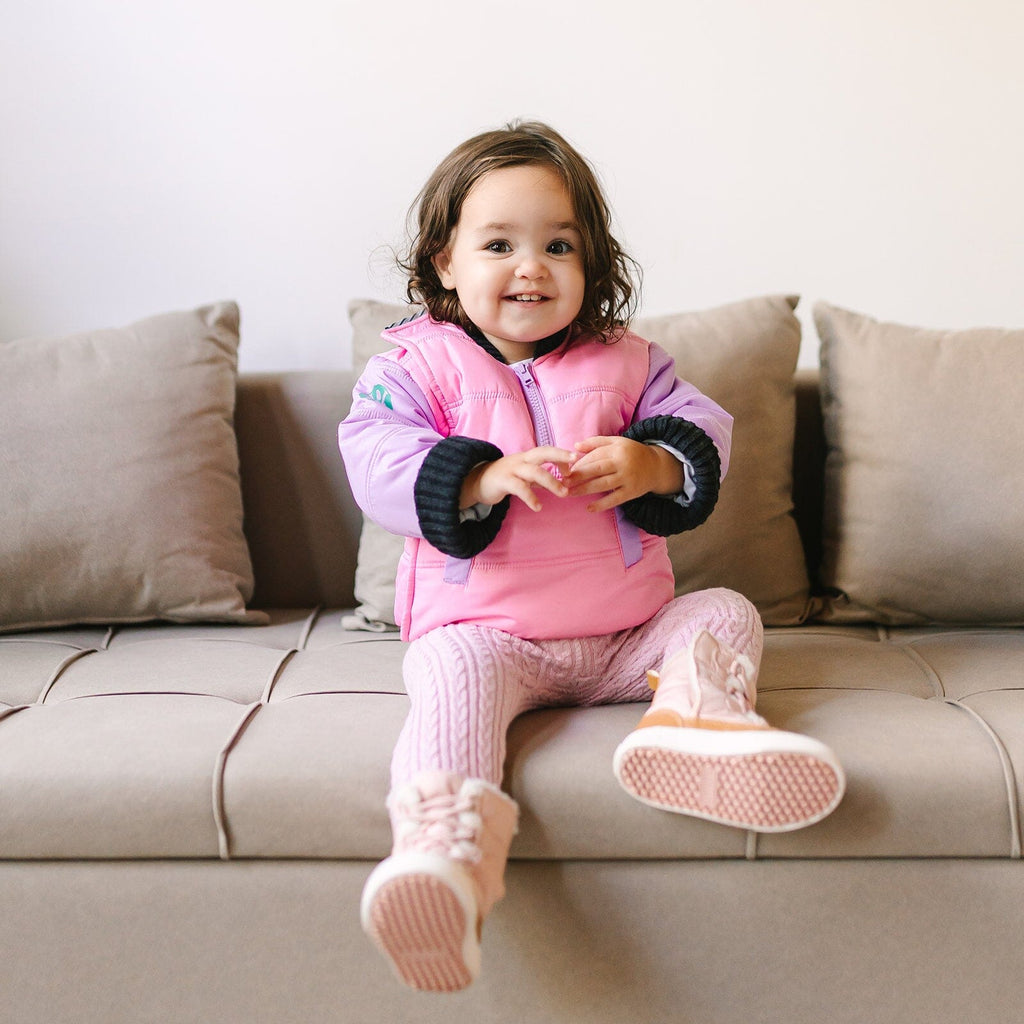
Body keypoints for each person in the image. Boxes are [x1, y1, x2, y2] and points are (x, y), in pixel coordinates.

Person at [338, 120, 844, 994]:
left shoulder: (631, 362)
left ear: (593, 265)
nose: (530, 266)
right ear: (445, 262)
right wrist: (480, 476)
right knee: (448, 670)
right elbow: (375, 457)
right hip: (489, 633)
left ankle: (700, 726)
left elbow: (704, 435)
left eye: (557, 244)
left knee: (724, 611)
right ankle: (445, 857)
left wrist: (653, 461)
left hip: (624, 636)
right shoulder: (416, 366)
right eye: (499, 243)